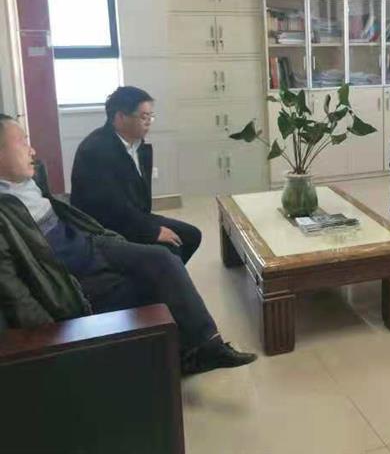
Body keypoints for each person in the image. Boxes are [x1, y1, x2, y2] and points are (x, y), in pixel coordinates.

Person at [0, 115, 256, 374]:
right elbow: (16, 295)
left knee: (163, 258)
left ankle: (208, 344)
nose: (32, 150)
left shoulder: (27, 181)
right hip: (69, 272)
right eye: (22, 142)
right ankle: (186, 355)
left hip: (91, 243)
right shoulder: (6, 208)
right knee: (150, 283)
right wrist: (48, 343)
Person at [71, 86, 201, 265]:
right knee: (170, 249)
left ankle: (161, 277)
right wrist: (152, 232)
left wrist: (150, 226)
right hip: (105, 226)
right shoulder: (95, 150)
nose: (149, 122)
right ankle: (160, 277)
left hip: (132, 217)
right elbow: (109, 207)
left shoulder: (137, 145)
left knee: (191, 235)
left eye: (150, 116)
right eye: (143, 117)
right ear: (120, 117)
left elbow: (138, 203)